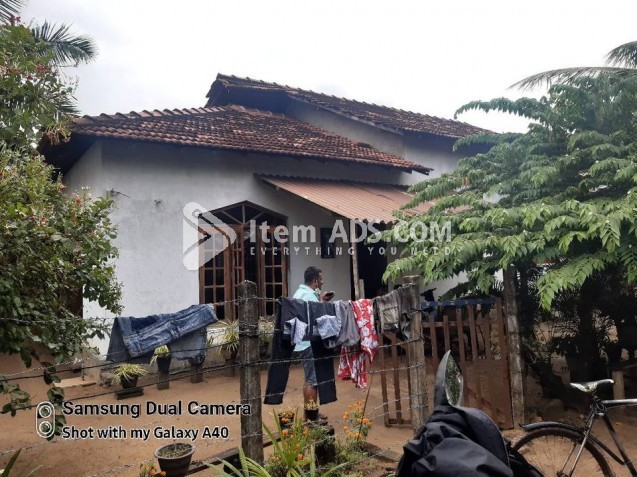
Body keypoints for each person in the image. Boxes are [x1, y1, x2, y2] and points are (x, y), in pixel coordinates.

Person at [292, 266, 333, 412]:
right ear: (315, 281)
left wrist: (320, 300)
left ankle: (309, 414)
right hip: (309, 343)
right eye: (321, 279)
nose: (323, 282)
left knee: (308, 379)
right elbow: (317, 320)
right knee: (313, 382)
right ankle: (312, 418)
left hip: (301, 342)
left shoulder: (300, 293)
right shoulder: (309, 296)